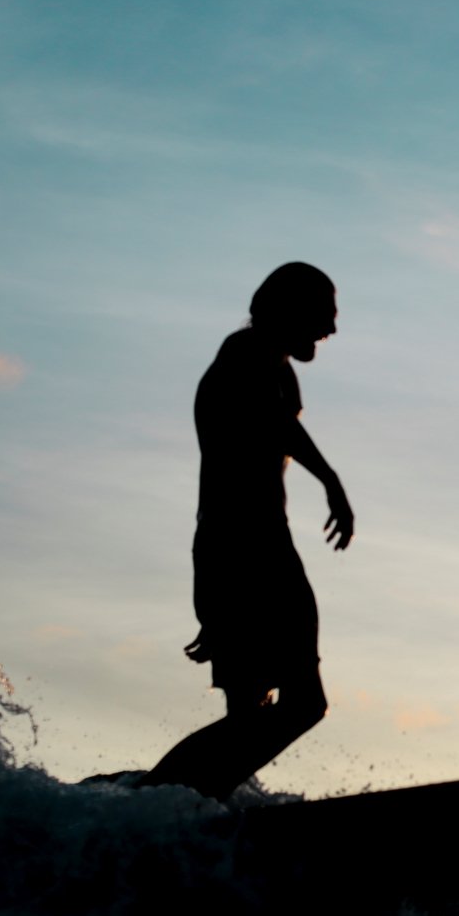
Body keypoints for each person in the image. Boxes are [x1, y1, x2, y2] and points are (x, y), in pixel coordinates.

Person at [136, 262, 354, 800]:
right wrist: (330, 479)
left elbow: (282, 421)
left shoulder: (279, 369)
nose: (330, 330)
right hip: (238, 547)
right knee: (283, 704)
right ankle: (160, 797)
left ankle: (187, 799)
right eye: (323, 316)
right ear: (290, 311)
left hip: (260, 544)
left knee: (272, 709)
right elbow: (276, 423)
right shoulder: (246, 353)